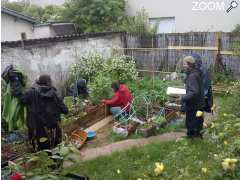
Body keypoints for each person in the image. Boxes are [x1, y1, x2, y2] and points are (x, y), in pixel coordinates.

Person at [12, 74, 68, 151]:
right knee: (54, 149)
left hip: (37, 130)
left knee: (40, 152)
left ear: (38, 82)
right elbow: (65, 110)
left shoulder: (31, 93)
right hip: (52, 129)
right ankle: (57, 161)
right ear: (49, 83)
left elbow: (18, 94)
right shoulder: (54, 94)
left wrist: (15, 80)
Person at [180, 56, 204, 138]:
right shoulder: (197, 72)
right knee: (199, 120)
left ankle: (192, 137)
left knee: (191, 121)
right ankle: (198, 135)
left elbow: (193, 92)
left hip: (194, 104)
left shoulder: (192, 76)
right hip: (200, 103)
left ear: (189, 64)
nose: (183, 65)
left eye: (184, 64)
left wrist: (182, 98)